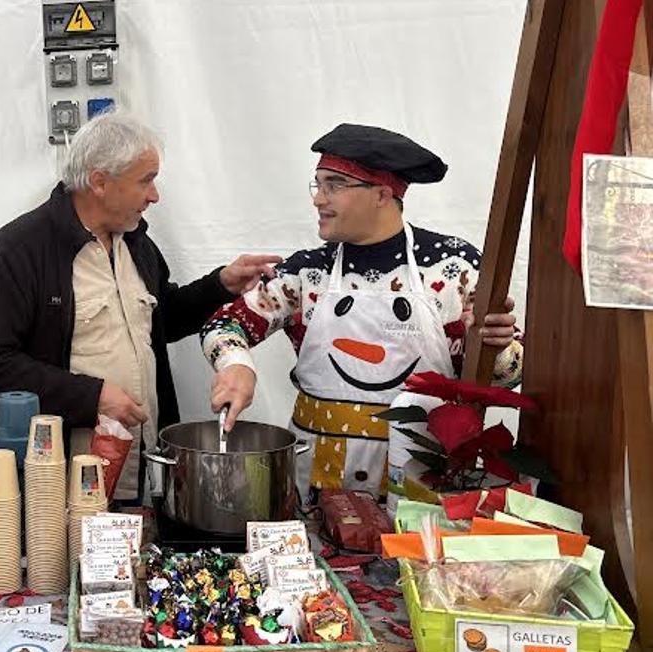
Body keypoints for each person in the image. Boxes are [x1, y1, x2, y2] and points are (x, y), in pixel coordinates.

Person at [0, 112, 280, 501]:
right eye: (145, 180)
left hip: (133, 462)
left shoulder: (136, 244)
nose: (155, 195)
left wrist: (220, 285)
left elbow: (162, 319)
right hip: (52, 475)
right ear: (99, 181)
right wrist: (92, 395)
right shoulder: (19, 250)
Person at [202, 123, 523, 498]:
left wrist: (493, 348)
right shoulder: (308, 274)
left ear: (382, 194)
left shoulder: (453, 267)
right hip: (317, 489)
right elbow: (224, 325)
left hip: (423, 490)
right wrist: (237, 365)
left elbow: (506, 378)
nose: (318, 199)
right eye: (317, 184)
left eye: (334, 185)